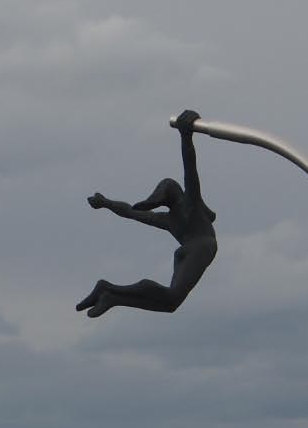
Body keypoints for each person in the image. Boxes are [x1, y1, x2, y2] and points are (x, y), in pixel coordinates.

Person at [76, 110, 217, 317]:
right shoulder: (192, 204)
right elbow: (190, 168)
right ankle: (110, 289)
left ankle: (112, 297)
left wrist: (105, 203)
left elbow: (129, 212)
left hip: (186, 251)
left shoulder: (169, 219)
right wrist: (185, 136)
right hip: (202, 247)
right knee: (171, 298)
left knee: (170, 304)